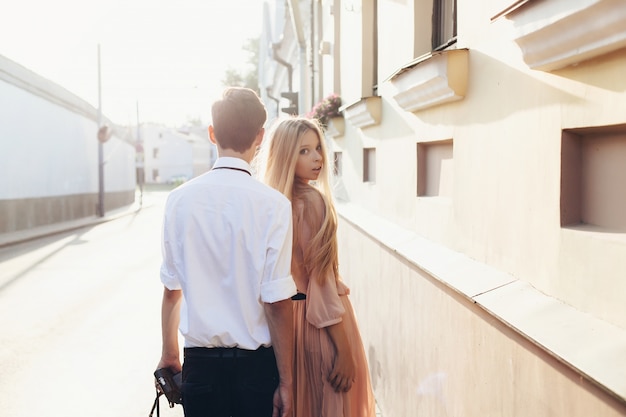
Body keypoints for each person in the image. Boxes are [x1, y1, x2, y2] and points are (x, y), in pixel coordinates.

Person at [157, 87, 297, 417]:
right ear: (260, 137)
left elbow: (171, 291)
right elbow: (277, 304)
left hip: (200, 368)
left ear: (211, 133)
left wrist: (169, 354)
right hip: (256, 370)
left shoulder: (178, 201)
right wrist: (287, 383)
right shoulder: (274, 206)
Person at [260, 117, 376, 417]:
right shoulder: (312, 202)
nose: (317, 158)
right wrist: (345, 350)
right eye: (304, 151)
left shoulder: (270, 204)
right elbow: (321, 282)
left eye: (317, 149)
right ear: (285, 155)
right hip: (321, 328)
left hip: (286, 326)